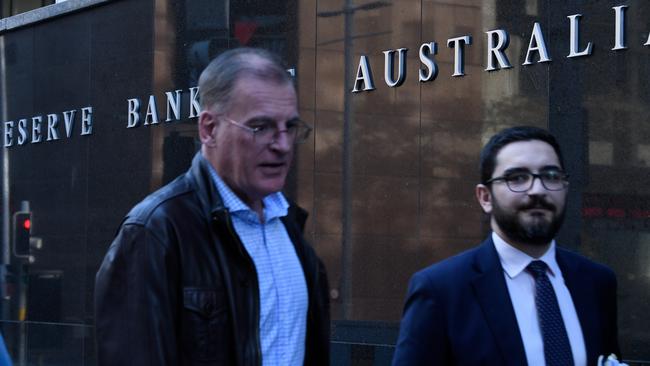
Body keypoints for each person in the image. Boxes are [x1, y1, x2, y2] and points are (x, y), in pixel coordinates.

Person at [95, 47, 330, 366]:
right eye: (260, 127)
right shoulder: (155, 231)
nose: (282, 145)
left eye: (289, 126)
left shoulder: (290, 228)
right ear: (208, 129)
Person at [392, 126, 620, 366]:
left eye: (551, 176)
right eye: (517, 178)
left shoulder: (596, 282)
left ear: (565, 188)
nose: (537, 190)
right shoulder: (441, 290)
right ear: (485, 198)